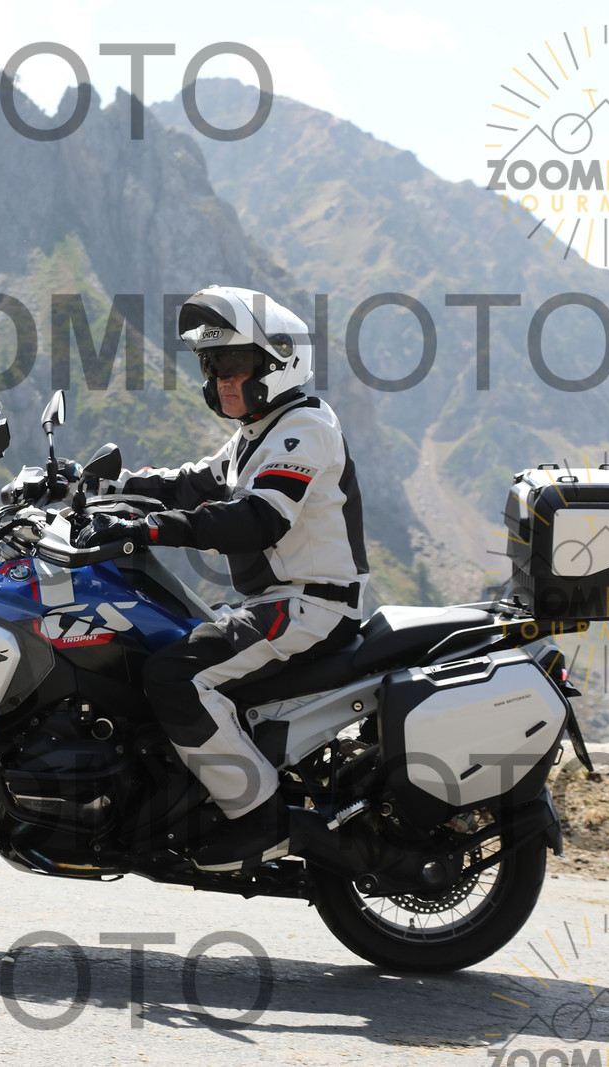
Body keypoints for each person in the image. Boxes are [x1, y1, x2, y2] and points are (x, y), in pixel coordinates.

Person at [74, 285, 368, 871]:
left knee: (175, 674)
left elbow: (257, 519)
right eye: (211, 366)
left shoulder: (304, 429)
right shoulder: (259, 432)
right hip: (284, 603)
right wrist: (96, 486)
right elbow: (190, 484)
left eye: (232, 364)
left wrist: (147, 531)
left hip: (313, 606)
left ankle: (261, 818)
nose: (220, 381)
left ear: (279, 362)